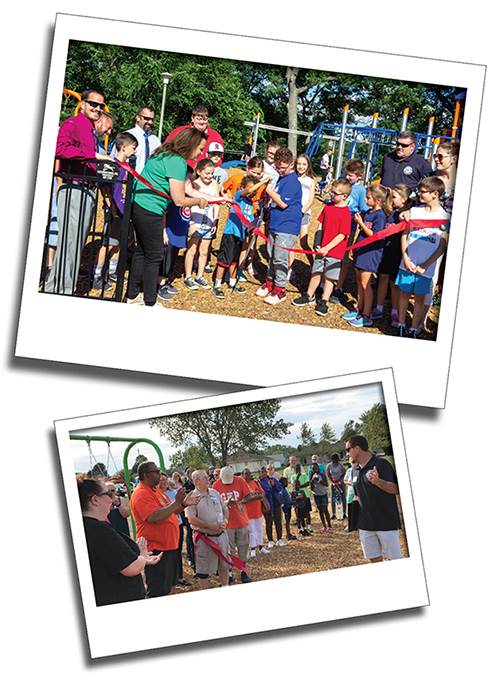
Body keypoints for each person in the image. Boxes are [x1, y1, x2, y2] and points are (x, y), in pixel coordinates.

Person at [125, 128, 208, 307]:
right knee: (155, 255)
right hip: (150, 208)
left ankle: (132, 295)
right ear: (191, 144)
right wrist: (199, 201)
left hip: (139, 205)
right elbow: (179, 200)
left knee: (142, 251)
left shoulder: (163, 154)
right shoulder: (177, 161)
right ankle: (149, 301)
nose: (201, 153)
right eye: (200, 149)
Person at [45, 88, 110, 295]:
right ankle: (59, 290)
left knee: (75, 244)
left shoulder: (89, 129)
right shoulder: (72, 124)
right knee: (69, 243)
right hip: (74, 189)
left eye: (101, 106)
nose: (97, 108)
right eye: (93, 104)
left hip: (86, 190)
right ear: (82, 104)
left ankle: (63, 287)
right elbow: (59, 149)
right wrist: (94, 156)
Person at [78, 475, 161, 606]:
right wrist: (143, 556)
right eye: (108, 494)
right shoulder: (99, 531)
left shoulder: (88, 526)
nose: (113, 498)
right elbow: (131, 568)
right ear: (95, 500)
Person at [129, 461, 199, 597]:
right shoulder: (141, 494)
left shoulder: (157, 492)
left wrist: (183, 504)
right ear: (146, 475)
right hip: (157, 549)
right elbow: (154, 517)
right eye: (156, 471)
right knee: (158, 591)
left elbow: (170, 511)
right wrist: (176, 502)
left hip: (169, 547)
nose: (159, 474)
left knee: (171, 587)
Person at [395, 176, 449, 337]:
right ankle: (401, 324)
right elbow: (405, 235)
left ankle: (413, 328)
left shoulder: (445, 217)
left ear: (435, 194)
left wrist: (426, 264)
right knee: (403, 294)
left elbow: (442, 245)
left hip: (425, 268)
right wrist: (406, 258)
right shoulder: (414, 212)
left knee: (419, 299)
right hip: (407, 263)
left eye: (424, 192)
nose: (420, 194)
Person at [292, 178, 352, 316]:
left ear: (344, 196)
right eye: (331, 192)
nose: (331, 195)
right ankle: (309, 295)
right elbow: (320, 225)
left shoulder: (346, 213)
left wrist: (328, 248)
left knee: (330, 277)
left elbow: (342, 235)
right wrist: (318, 242)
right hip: (321, 249)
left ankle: (324, 300)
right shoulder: (328, 207)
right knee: (316, 272)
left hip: (335, 252)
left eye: (335, 193)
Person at [341, 184, 392, 328]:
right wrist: (355, 247)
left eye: (368, 197)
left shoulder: (380, 216)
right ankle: (359, 309)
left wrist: (361, 223)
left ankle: (367, 315)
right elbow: (362, 234)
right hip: (361, 250)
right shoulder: (368, 212)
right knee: (359, 282)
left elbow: (375, 236)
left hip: (371, 253)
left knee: (365, 284)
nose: (365, 199)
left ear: (378, 200)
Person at [256, 147, 302, 305]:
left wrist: (268, 190)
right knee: (272, 255)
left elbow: (282, 203)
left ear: (291, 164)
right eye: (277, 167)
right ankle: (270, 282)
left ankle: (280, 289)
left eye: (282, 167)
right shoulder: (281, 179)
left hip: (287, 227)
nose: (280, 170)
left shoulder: (292, 181)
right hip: (276, 224)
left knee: (280, 258)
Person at [93, 131, 138, 292]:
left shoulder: (126, 167)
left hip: (124, 210)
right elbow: (105, 188)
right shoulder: (112, 165)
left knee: (118, 244)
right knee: (107, 243)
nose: (135, 151)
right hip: (114, 210)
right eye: (133, 148)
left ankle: (112, 272)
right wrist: (110, 206)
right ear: (124, 148)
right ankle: (97, 275)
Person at [345, 435, 402, 562]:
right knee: (373, 559)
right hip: (365, 524)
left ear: (357, 448)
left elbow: (397, 489)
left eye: (348, 450)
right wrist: (355, 518)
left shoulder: (381, 464)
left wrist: (378, 482)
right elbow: (358, 495)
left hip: (385, 522)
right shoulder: (356, 470)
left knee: (394, 559)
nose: (347, 454)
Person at [212, 175, 258, 299]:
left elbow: (250, 221)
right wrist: (263, 181)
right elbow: (247, 191)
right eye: (251, 190)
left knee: (235, 260)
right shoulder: (238, 196)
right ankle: (217, 285)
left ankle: (232, 282)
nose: (253, 193)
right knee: (224, 260)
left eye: (255, 191)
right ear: (243, 188)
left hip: (241, 236)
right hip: (231, 234)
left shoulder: (251, 204)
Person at [372, 184, 412, 326]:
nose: (391, 199)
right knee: (382, 279)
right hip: (384, 251)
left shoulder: (406, 215)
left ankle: (395, 311)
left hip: (397, 253)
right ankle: (379, 307)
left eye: (394, 197)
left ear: (404, 199)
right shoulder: (388, 212)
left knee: (394, 284)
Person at [185, 469, 232, 589]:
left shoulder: (215, 493)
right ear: (196, 481)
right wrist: (210, 526)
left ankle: (225, 586)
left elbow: (225, 509)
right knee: (203, 571)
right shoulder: (191, 497)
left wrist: (225, 521)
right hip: (205, 539)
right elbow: (191, 519)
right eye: (205, 478)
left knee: (224, 565)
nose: (208, 479)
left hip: (221, 536)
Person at [183, 159, 220, 290]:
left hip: (208, 222)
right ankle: (188, 276)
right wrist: (191, 222)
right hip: (196, 222)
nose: (209, 176)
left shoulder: (214, 184)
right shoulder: (193, 184)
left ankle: (199, 275)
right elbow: (188, 204)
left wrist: (215, 220)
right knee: (192, 250)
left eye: (211, 174)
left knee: (204, 251)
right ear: (199, 171)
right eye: (207, 173)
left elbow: (216, 203)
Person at [335, 158, 368, 303]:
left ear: (359, 176)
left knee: (343, 254)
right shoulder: (342, 182)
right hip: (335, 222)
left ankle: (339, 286)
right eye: (346, 174)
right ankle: (327, 281)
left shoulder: (360, 190)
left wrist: (361, 221)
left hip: (349, 224)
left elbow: (363, 208)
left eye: (351, 175)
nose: (347, 177)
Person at [212, 466, 252, 583]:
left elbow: (248, 496)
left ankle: (243, 571)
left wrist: (241, 502)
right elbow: (214, 504)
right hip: (227, 523)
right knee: (229, 550)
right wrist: (225, 504)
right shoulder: (216, 485)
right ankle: (229, 573)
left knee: (243, 548)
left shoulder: (240, 481)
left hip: (241, 521)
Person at [165, 104, 224, 169]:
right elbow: (166, 149)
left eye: (204, 119)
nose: (202, 122)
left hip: (205, 174)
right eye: (199, 119)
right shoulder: (179, 132)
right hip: (181, 169)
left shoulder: (215, 136)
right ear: (192, 118)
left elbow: (219, 158)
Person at [158, 472, 191, 587]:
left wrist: (184, 503)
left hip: (177, 525)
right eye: (161, 480)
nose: (163, 482)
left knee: (177, 552)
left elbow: (178, 508)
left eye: (165, 480)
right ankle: (170, 579)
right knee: (169, 554)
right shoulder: (156, 495)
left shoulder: (172, 493)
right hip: (165, 528)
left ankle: (179, 576)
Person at [288, 154, 316, 276]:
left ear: (308, 165)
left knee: (303, 241)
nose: (301, 166)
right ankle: (289, 269)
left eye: (304, 164)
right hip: (292, 213)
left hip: (304, 213)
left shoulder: (310, 180)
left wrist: (303, 210)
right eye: (299, 163)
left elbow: (311, 199)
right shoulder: (292, 177)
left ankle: (313, 264)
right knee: (291, 242)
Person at [243, 468, 271, 556]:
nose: (248, 475)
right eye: (246, 473)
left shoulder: (255, 482)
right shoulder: (243, 485)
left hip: (257, 511)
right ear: (243, 475)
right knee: (251, 531)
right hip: (248, 512)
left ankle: (261, 546)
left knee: (259, 529)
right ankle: (253, 549)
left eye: (249, 473)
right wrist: (255, 497)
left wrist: (255, 497)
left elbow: (262, 493)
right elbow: (244, 499)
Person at [125, 106, 161, 174]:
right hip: (129, 180)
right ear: (138, 118)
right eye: (147, 119)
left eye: (152, 119)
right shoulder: (127, 136)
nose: (150, 122)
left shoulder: (156, 141)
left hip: (148, 182)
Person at [259, 466, 286, 548]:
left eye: (264, 471)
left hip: (276, 503)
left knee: (278, 521)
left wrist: (274, 486)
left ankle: (279, 539)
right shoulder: (259, 482)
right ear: (259, 473)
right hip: (267, 505)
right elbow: (263, 492)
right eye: (261, 472)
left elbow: (280, 488)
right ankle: (270, 540)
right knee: (268, 522)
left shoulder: (273, 479)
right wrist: (270, 488)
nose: (263, 473)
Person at [290, 463, 312, 536]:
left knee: (306, 512)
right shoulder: (293, 477)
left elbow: (307, 483)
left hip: (305, 495)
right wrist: (297, 479)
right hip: (297, 500)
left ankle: (308, 526)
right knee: (299, 516)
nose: (298, 470)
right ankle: (300, 529)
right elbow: (294, 485)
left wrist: (300, 486)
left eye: (299, 468)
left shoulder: (304, 475)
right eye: (296, 468)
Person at [310, 462, 332, 532]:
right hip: (316, 495)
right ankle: (324, 526)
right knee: (320, 511)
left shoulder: (322, 474)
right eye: (313, 469)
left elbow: (326, 484)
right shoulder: (311, 476)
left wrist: (320, 481)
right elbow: (311, 488)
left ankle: (329, 526)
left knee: (325, 510)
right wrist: (312, 482)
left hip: (323, 494)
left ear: (318, 468)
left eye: (315, 468)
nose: (314, 470)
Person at [326, 454, 347, 520]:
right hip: (333, 483)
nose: (334, 461)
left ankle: (344, 513)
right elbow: (328, 474)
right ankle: (334, 514)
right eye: (333, 460)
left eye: (336, 460)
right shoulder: (329, 466)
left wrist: (339, 481)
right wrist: (333, 482)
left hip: (341, 483)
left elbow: (344, 473)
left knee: (343, 497)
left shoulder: (341, 465)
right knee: (333, 498)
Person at [343, 459, 359, 532]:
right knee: (349, 508)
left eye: (355, 462)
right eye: (352, 462)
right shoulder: (349, 471)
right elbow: (345, 480)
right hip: (350, 491)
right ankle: (350, 524)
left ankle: (358, 524)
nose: (354, 464)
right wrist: (350, 483)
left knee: (358, 507)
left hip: (358, 492)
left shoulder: (360, 470)